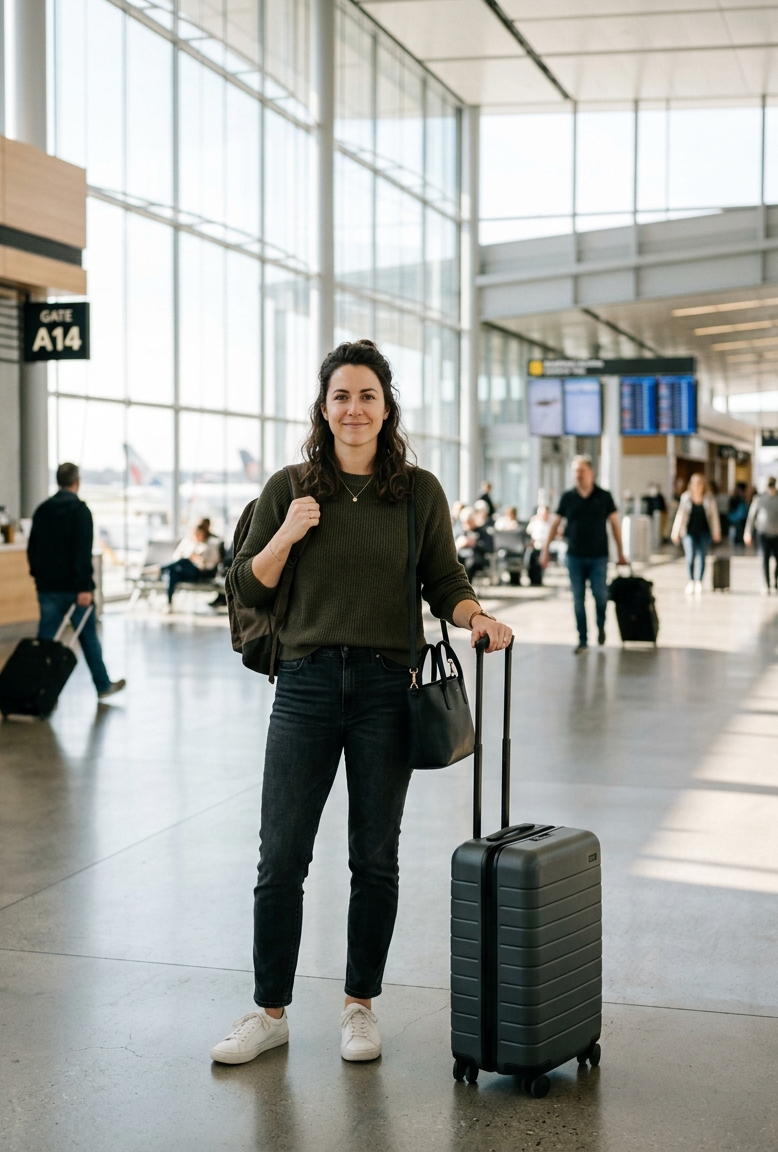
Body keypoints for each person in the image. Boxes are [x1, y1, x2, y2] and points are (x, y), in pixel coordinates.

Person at [213, 339, 513, 1066]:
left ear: (386, 408)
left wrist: (475, 616)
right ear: (324, 407)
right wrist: (286, 531)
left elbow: (445, 577)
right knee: (280, 857)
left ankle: (360, 1006)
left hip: (388, 689)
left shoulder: (417, 492)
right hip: (306, 686)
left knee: (374, 858)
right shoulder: (290, 487)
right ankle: (270, 1010)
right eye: (341, 396)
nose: (354, 408)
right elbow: (246, 587)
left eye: (367, 396)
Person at [27, 462, 125, 699]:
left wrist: (38, 576)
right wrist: (84, 587)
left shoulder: (43, 510)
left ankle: (37, 690)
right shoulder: (81, 512)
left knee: (46, 642)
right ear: (77, 482)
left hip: (48, 588)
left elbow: (33, 548)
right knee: (88, 637)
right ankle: (102, 685)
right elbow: (82, 553)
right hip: (74, 589)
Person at [541, 455, 626, 653]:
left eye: (581, 471)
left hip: (599, 557)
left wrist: (621, 553)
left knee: (601, 596)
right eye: (575, 471)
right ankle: (583, 639)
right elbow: (554, 524)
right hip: (575, 557)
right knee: (578, 599)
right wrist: (545, 550)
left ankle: (601, 625)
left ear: (591, 472)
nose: (578, 475)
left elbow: (615, 525)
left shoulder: (604, 496)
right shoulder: (568, 497)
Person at [670, 472, 722, 594]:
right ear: (691, 485)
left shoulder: (709, 498)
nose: (697, 486)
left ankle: (699, 581)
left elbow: (714, 517)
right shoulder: (686, 498)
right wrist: (675, 532)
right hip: (689, 532)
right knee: (690, 556)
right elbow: (680, 516)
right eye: (695, 484)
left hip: (704, 532)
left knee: (702, 557)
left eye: (700, 484)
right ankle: (691, 581)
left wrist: (716, 532)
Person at [744, 477, 778, 594]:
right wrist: (748, 532)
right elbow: (752, 516)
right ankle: (766, 584)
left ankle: (775, 581)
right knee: (765, 558)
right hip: (764, 533)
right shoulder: (759, 498)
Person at [160, 521, 221, 609]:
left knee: (179, 566)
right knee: (172, 574)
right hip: (183, 571)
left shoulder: (211, 544)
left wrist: (201, 561)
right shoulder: (187, 542)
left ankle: (160, 569)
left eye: (200, 534)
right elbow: (176, 557)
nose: (198, 536)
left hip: (198, 572)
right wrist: (189, 558)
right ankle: (169, 603)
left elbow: (214, 561)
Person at [455, 506, 494, 582]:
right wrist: (459, 544)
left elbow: (490, 548)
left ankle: (466, 586)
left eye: (469, 522)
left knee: (470, 563)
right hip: (461, 556)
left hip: (476, 558)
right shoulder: (459, 531)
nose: (467, 525)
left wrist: (475, 544)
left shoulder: (482, 531)